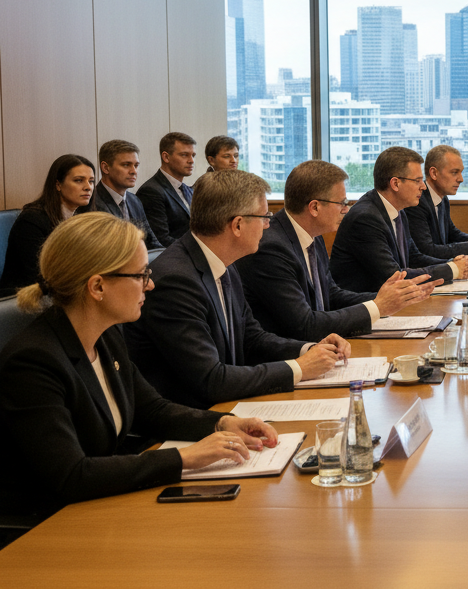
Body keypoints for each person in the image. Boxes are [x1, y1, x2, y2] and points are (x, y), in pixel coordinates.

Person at [0, 213, 278, 520]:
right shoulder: (32, 362)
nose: (151, 284)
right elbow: (72, 474)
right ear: (97, 286)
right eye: (140, 275)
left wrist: (222, 423)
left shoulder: (106, 337)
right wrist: (184, 458)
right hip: (49, 525)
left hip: (102, 505)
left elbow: (153, 410)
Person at [124, 170, 350, 409]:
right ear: (238, 225)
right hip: (195, 416)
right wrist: (299, 368)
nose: (268, 225)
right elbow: (211, 380)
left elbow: (251, 338)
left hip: (229, 405)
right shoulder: (176, 281)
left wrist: (310, 349)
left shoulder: (224, 263)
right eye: (264, 217)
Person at [235, 160, 439, 342]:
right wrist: (378, 306)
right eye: (341, 203)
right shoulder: (271, 249)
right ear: (314, 207)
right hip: (289, 355)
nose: (346, 210)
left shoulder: (313, 234)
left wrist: (390, 298)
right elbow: (304, 325)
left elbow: (331, 295)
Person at [330, 146, 468, 293]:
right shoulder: (365, 219)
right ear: (395, 183)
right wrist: (452, 269)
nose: (423, 187)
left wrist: (451, 263)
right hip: (364, 302)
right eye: (417, 181)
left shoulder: (398, 211)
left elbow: (414, 258)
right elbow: (395, 277)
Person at [1, 154, 96, 290]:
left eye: (91, 181)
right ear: (58, 185)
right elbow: (38, 276)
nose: (88, 187)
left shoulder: (84, 218)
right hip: (27, 295)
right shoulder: (32, 220)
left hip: (67, 290)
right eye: (79, 180)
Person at [406, 144, 468, 259]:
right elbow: (427, 250)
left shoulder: (443, 199)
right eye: (454, 172)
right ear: (434, 173)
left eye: (461, 172)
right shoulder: (417, 202)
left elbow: (451, 234)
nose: (461, 179)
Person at [91, 139, 162, 250]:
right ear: (105, 168)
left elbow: (152, 242)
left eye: (136, 165)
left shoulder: (135, 200)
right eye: (126, 165)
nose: (134, 171)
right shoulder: (92, 202)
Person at [137, 131, 197, 246]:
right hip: (172, 255)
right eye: (184, 155)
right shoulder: (151, 191)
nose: (191, 160)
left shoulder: (188, 190)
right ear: (166, 157)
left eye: (193, 155)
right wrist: (197, 249)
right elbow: (161, 240)